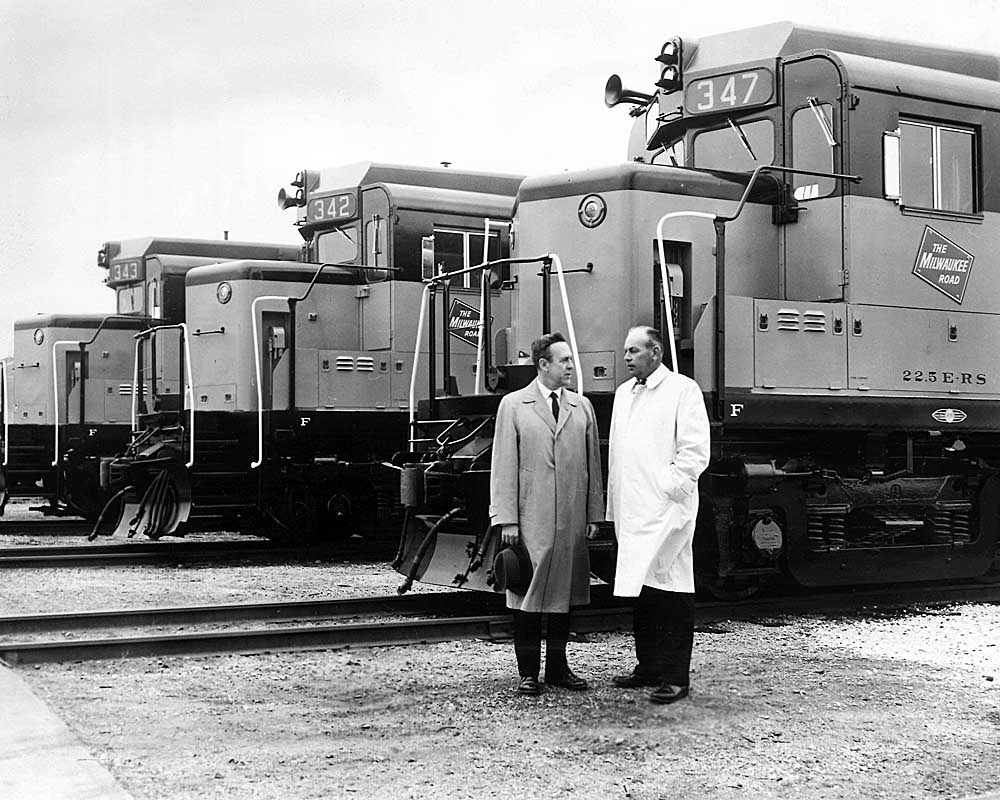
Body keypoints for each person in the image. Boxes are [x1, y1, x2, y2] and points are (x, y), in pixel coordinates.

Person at [489, 332, 605, 696]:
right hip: (531, 519)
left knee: (563, 596)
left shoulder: (582, 407)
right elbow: (503, 465)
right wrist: (506, 517)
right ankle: (528, 673)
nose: (571, 366)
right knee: (527, 595)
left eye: (570, 360)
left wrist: (593, 514)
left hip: (570, 519)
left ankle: (558, 669)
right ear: (543, 365)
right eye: (564, 360)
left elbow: (592, 467)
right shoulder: (513, 405)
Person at [606, 325, 710, 704]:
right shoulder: (623, 394)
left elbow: (695, 451)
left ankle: (675, 676)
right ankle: (647, 667)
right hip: (633, 511)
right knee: (644, 591)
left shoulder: (683, 390)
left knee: (672, 590)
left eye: (634, 350)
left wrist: (670, 489)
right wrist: (614, 502)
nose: (627, 357)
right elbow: (619, 452)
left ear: (656, 352)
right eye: (625, 351)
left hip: (667, 510)